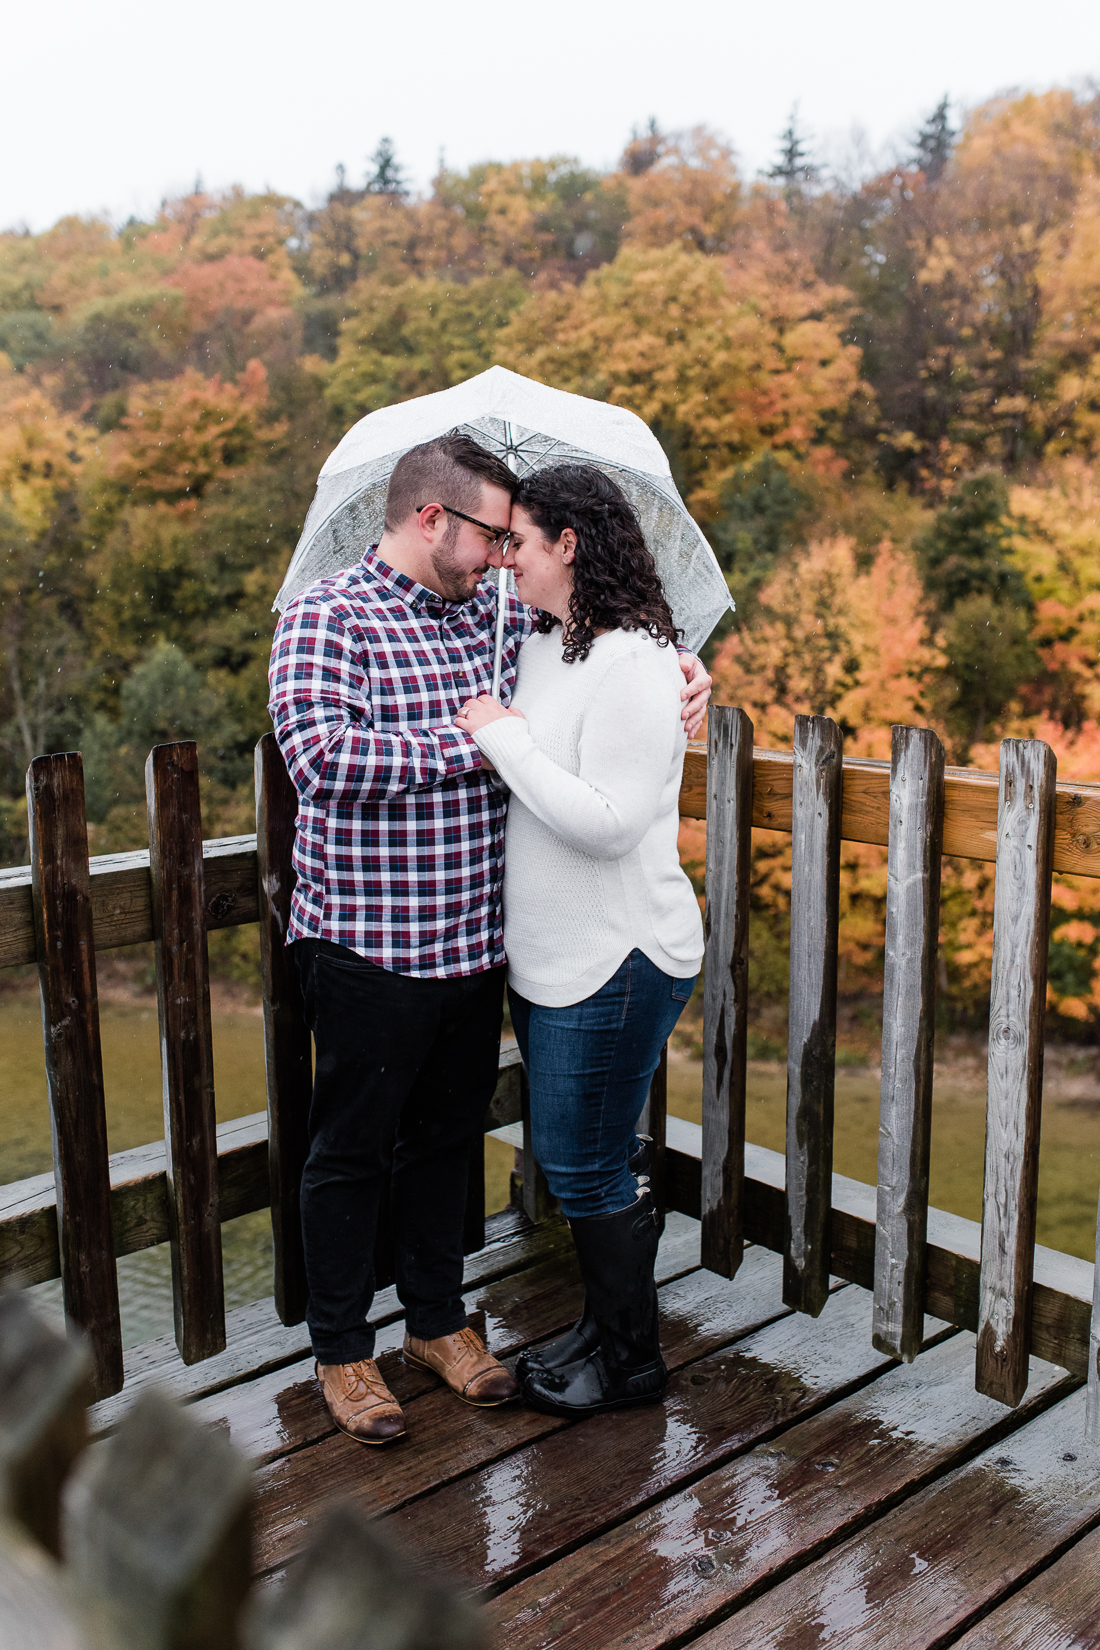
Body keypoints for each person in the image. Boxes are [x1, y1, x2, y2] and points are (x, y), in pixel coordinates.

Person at [269, 433, 711, 1445]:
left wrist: (689, 673)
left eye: (511, 542)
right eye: (487, 535)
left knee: (442, 1144)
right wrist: (472, 740)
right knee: (347, 1153)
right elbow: (321, 757)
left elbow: (608, 639)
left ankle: (436, 1325)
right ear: (434, 519)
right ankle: (344, 1352)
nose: (500, 557)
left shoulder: (494, 616)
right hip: (371, 944)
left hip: (475, 947)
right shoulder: (325, 618)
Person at [455, 463, 706, 1420]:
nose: (504, 556)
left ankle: (634, 1362)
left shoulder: (639, 664)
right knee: (577, 1158)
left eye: (518, 540)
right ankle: (603, 1329)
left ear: (569, 544)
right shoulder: (549, 644)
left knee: (585, 1163)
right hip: (556, 959)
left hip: (620, 956)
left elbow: (608, 821)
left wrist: (503, 740)